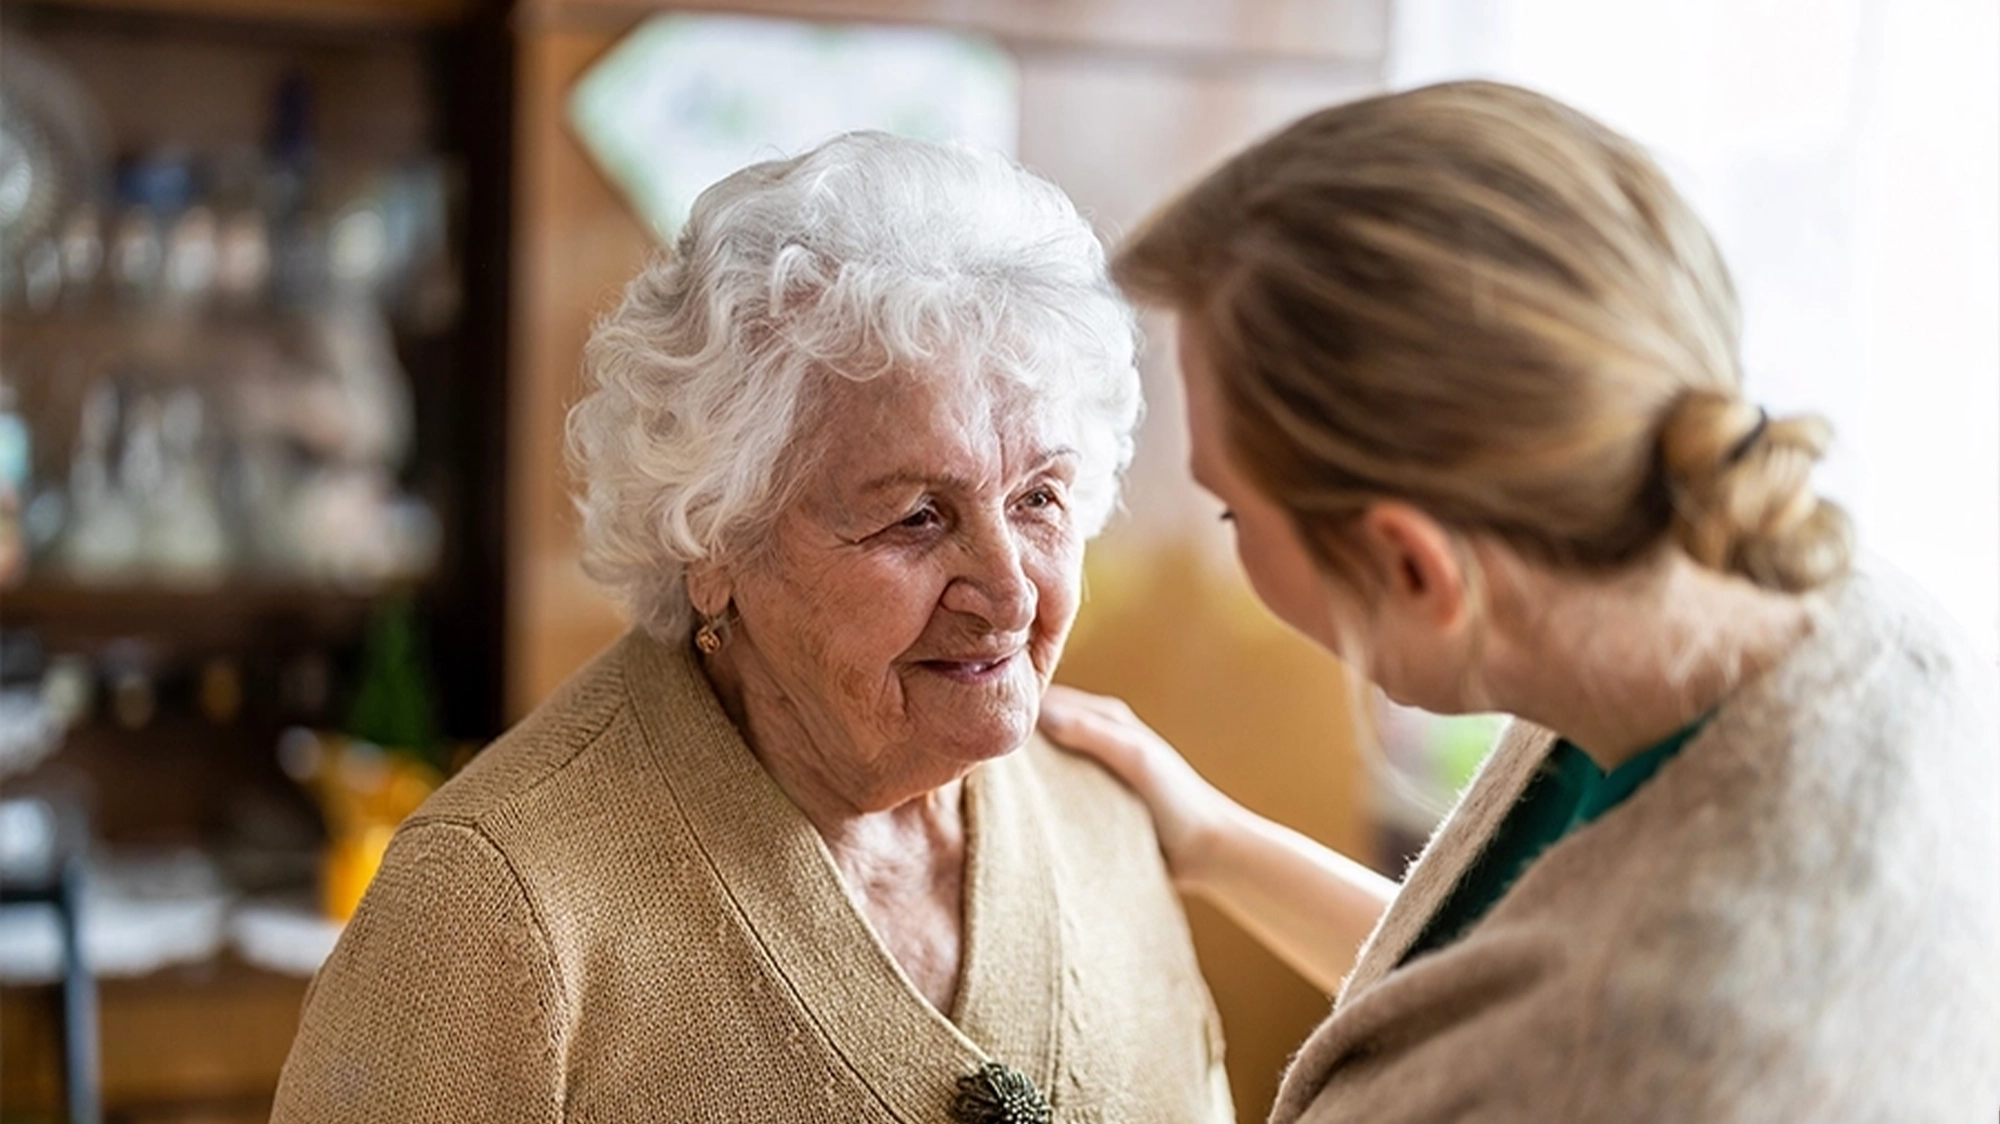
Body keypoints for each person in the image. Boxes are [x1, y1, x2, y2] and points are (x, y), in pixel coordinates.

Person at [1039, 80, 1999, 1122]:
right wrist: (1216, 841)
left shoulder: (1683, 1053)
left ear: (1413, 567)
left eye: (1231, 510)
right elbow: (1485, 995)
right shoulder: (1829, 619)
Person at [273, 132, 1232, 1124]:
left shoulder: (1107, 824)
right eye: (916, 516)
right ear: (714, 539)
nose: (1009, 594)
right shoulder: (490, 906)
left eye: (1038, 498)